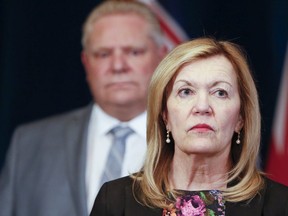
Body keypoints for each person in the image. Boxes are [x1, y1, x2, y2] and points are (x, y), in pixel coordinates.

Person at [0, 1, 167, 216]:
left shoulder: (190, 142)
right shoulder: (30, 143)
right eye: (103, 54)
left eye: (133, 52)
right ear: (86, 62)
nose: (118, 66)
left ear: (162, 56)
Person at [91, 37, 288, 216]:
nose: (202, 107)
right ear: (165, 115)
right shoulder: (116, 202)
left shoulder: (279, 204)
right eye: (186, 91)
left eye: (220, 92)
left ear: (241, 118)